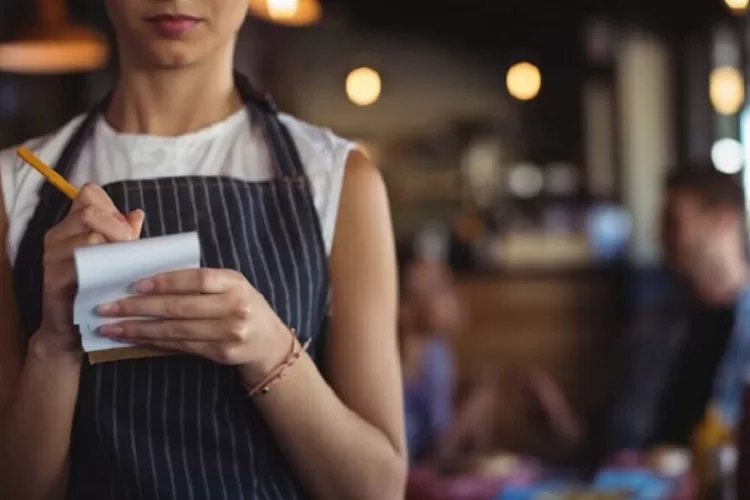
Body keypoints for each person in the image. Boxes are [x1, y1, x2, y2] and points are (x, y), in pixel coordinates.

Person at [0, 1, 406, 499]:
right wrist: (56, 345)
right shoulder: (13, 188)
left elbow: (378, 488)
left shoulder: (342, 180)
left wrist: (268, 348)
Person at [608, 167, 750, 451]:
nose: (660, 235)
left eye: (673, 220)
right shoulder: (655, 322)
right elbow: (619, 445)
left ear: (722, 221)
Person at [398, 251, 496, 466]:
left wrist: (476, 416)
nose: (456, 296)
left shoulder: (437, 356)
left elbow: (451, 454)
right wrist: (471, 412)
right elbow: (432, 459)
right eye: (438, 288)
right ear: (402, 307)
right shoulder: (387, 369)